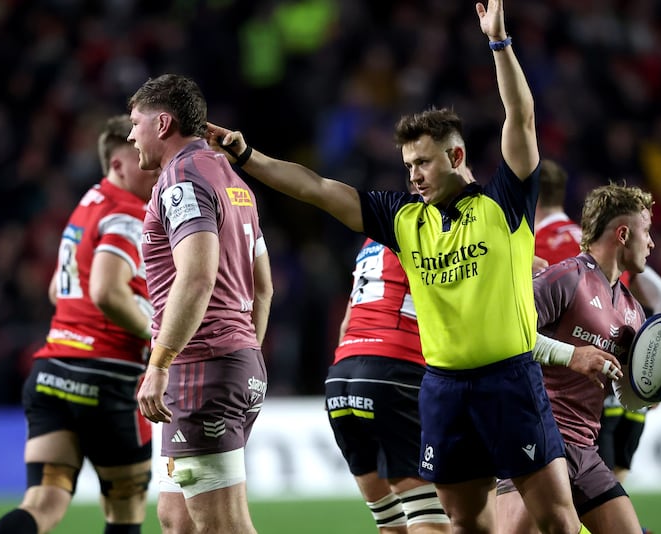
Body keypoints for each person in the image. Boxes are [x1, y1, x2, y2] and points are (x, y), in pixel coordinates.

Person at [208, 2, 585, 532]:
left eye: (423, 163)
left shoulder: (504, 203)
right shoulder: (402, 217)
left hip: (510, 382)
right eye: (408, 165)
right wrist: (248, 156)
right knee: (464, 523)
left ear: (455, 158)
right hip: (443, 390)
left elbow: (520, 117)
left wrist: (499, 44)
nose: (414, 176)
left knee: (557, 521)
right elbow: (317, 189)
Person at [496, 183, 661, 534]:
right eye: (646, 231)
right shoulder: (566, 278)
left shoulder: (633, 312)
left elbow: (631, 397)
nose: (652, 243)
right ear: (623, 234)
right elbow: (504, 336)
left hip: (584, 449)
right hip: (535, 435)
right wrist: (571, 356)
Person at [0, 115, 159, 534]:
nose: (153, 167)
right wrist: (155, 334)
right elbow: (106, 291)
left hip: (52, 374)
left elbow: (56, 290)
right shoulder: (128, 213)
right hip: (109, 378)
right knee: (124, 511)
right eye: (141, 158)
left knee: (42, 504)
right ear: (116, 164)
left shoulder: (87, 206)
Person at [128, 74, 273, 534]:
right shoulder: (232, 180)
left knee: (222, 525)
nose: (131, 135)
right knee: (177, 518)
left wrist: (160, 362)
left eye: (136, 123)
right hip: (232, 360)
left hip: (201, 366)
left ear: (162, 123)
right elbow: (264, 287)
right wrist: (245, 351)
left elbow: (196, 276)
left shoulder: (182, 178)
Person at [533, 159, 661, 487]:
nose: (652, 243)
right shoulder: (599, 262)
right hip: (591, 410)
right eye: (647, 233)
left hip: (580, 411)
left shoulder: (534, 248)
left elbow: (504, 329)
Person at [326, 235, 451, 533]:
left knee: (391, 523)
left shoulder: (371, 242)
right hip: (393, 371)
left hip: (340, 378)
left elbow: (346, 324)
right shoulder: (428, 229)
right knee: (428, 518)